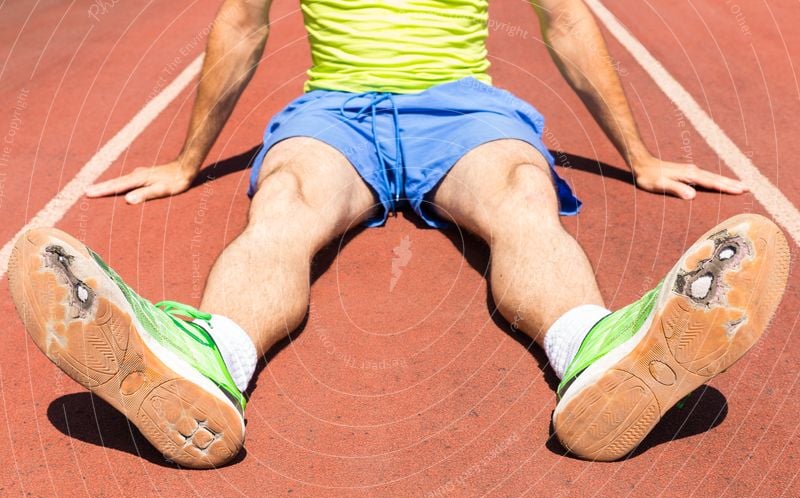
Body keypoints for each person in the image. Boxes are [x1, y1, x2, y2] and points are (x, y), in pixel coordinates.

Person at [8, 0, 789, 468]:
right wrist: (185, 162)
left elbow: (565, 19)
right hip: (335, 110)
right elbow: (243, 26)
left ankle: (592, 357)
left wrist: (640, 157)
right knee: (284, 199)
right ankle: (209, 362)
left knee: (522, 192)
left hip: (463, 108)